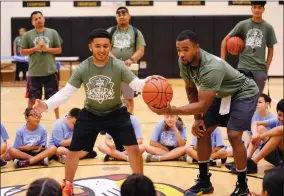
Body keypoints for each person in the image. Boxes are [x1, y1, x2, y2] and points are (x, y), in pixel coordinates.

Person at [32, 28, 161, 195]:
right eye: (98, 46)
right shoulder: (83, 68)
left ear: (111, 47)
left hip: (116, 112)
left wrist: (149, 82)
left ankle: (140, 185)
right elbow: (67, 92)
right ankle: (69, 184)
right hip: (90, 113)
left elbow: (136, 84)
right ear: (90, 47)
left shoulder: (118, 66)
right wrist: (46, 105)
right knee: (73, 152)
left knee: (134, 150)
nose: (102, 50)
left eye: (106, 46)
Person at [149, 30, 259, 196]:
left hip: (243, 92)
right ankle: (204, 182)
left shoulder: (211, 67)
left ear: (197, 48)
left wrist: (169, 110)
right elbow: (191, 90)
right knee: (202, 131)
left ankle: (242, 186)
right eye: (178, 50)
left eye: (186, 49)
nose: (181, 54)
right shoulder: (184, 62)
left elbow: (202, 105)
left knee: (234, 135)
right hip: (221, 93)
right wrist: (197, 120)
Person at [221, 1, 277, 93]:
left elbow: (271, 49)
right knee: (242, 98)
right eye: (255, 7)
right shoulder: (243, 24)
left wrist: (266, 68)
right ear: (251, 8)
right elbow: (224, 41)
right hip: (244, 68)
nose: (257, 10)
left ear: (263, 9)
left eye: (259, 7)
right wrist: (222, 62)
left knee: (257, 100)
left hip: (260, 70)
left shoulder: (268, 27)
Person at [20, 11, 63, 119]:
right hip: (34, 72)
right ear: (32, 22)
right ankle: (29, 118)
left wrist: (46, 49)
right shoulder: (27, 35)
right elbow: (22, 51)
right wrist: (35, 48)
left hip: (50, 71)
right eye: (36, 19)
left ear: (44, 18)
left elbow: (58, 50)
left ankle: (57, 119)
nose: (38, 20)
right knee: (32, 98)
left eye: (40, 17)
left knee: (54, 98)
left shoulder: (53, 32)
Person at [107, 6, 146, 114]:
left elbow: (140, 50)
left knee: (128, 98)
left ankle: (129, 120)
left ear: (129, 16)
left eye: (124, 14)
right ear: (116, 18)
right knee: (110, 98)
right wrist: (115, 60)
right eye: (119, 15)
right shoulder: (110, 31)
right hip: (112, 69)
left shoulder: (136, 32)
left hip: (129, 70)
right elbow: (105, 49)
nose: (121, 17)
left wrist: (131, 59)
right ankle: (108, 123)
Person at [229, 99, 284, 174]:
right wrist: (255, 135)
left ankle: (253, 163)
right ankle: (246, 160)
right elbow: (255, 123)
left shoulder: (273, 118)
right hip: (277, 155)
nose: (282, 119)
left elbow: (280, 130)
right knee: (260, 128)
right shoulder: (275, 119)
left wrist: (260, 137)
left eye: (260, 102)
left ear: (267, 104)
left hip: (280, 156)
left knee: (278, 135)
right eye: (279, 115)